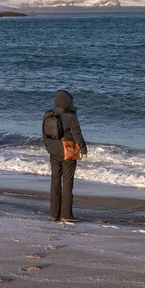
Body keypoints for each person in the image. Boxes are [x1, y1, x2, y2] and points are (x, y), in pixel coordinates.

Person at [42, 90, 87, 222]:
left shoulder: (47, 114)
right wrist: (84, 150)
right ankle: (66, 215)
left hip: (53, 152)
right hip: (68, 152)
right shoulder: (71, 116)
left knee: (55, 182)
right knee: (67, 183)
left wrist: (49, 148)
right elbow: (77, 135)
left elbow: (44, 134)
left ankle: (54, 214)